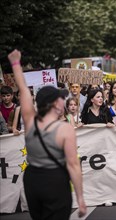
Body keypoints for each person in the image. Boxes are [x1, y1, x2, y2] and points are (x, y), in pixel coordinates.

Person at [8, 49, 86, 219]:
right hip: (55, 180)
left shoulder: (30, 121)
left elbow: (23, 90)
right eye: (60, 98)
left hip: (32, 180)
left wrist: (15, 63)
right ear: (54, 104)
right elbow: (73, 165)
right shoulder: (65, 129)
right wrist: (80, 198)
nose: (63, 100)